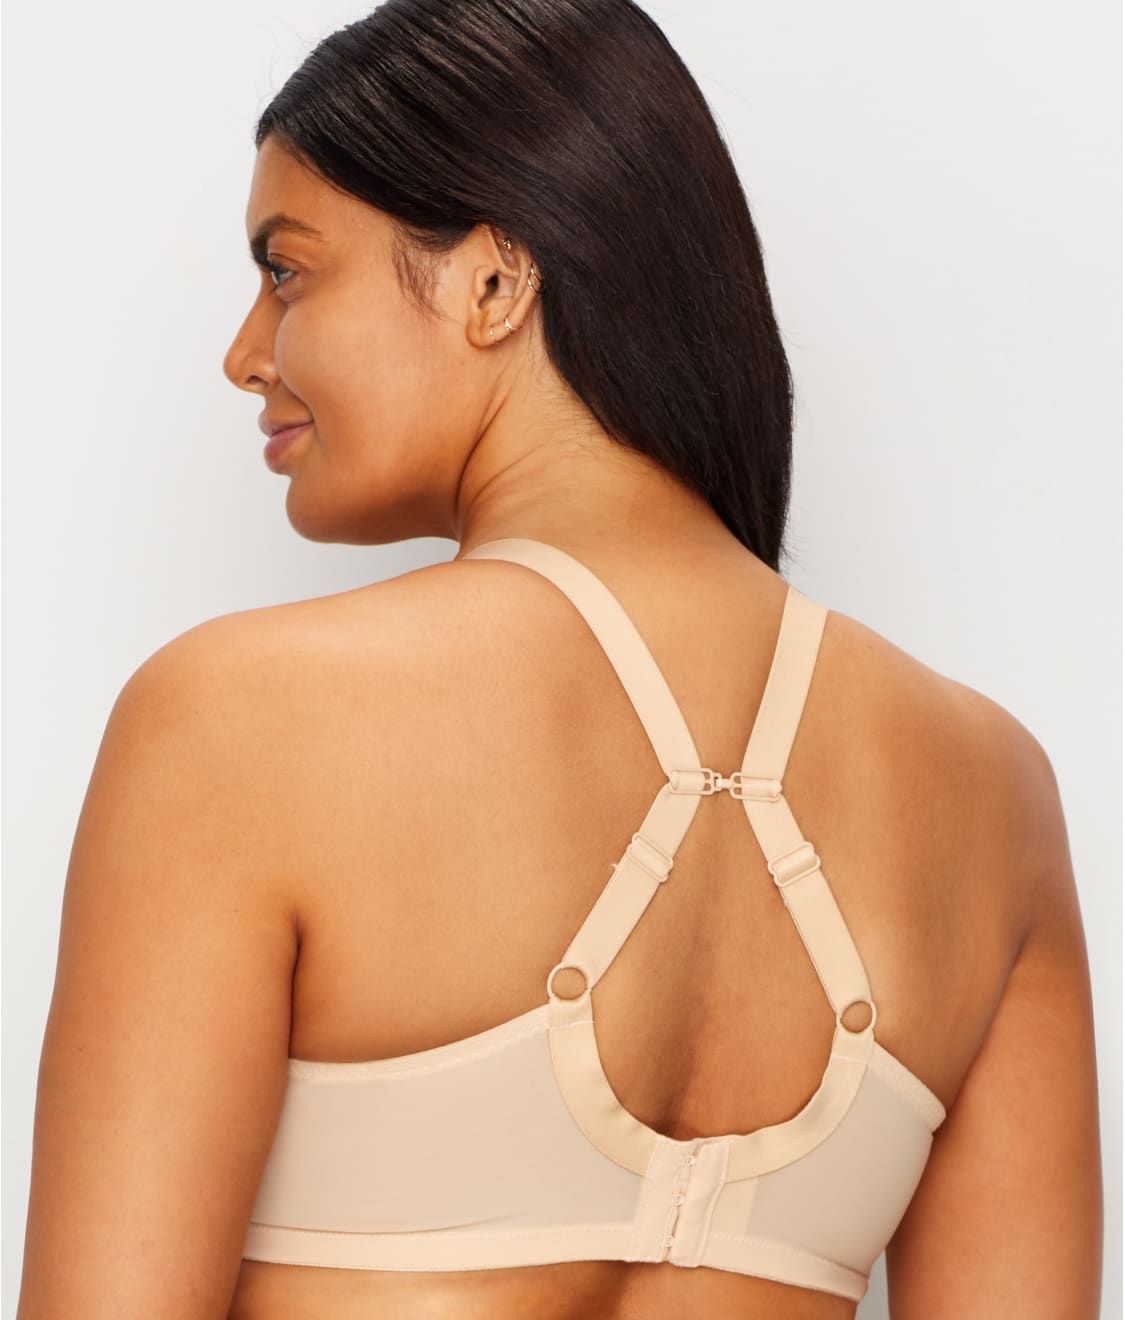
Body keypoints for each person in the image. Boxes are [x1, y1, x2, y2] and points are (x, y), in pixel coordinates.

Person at [17, 1, 1103, 1317]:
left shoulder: (238, 719)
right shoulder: (992, 794)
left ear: (493, 281)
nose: (248, 355)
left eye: (287, 271)